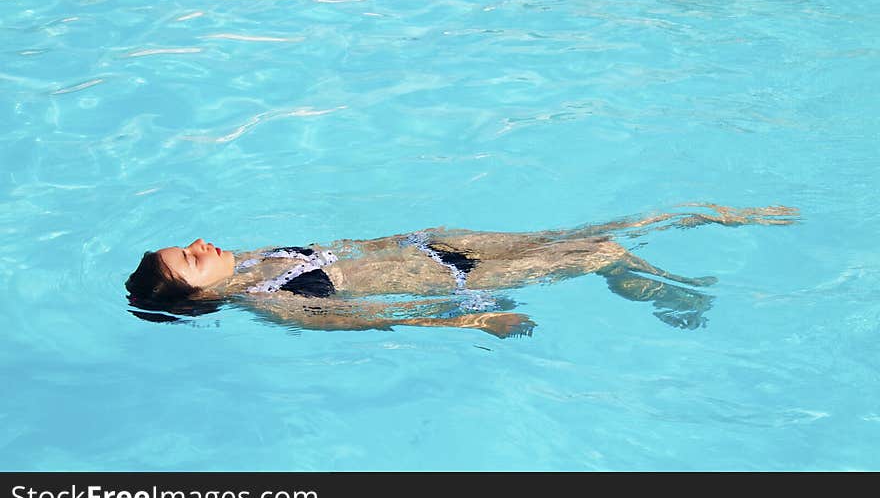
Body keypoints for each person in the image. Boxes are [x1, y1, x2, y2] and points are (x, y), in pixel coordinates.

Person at [125, 203, 799, 338]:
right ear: (198, 293)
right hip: (447, 278)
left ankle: (704, 216)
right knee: (597, 254)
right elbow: (372, 316)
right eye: (189, 256)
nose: (200, 241)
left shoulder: (253, 259)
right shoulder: (273, 301)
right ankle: (663, 293)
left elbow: (350, 246)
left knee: (587, 230)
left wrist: (421, 233)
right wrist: (473, 317)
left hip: (437, 240)